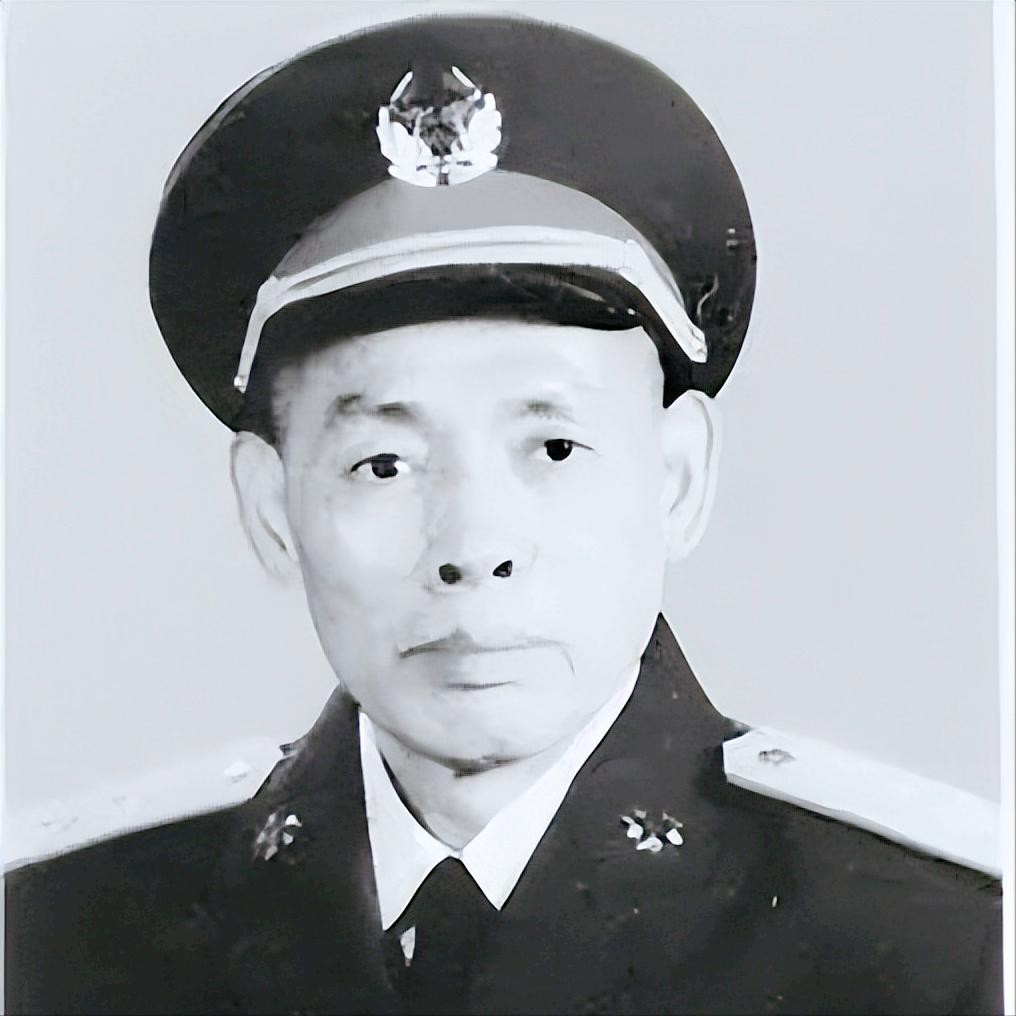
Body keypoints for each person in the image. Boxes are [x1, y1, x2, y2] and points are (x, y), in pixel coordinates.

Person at [4, 14, 1003, 1015]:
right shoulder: (58, 938)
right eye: (383, 464)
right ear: (271, 508)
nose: (473, 547)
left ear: (676, 478)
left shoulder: (943, 946)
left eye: (554, 448)